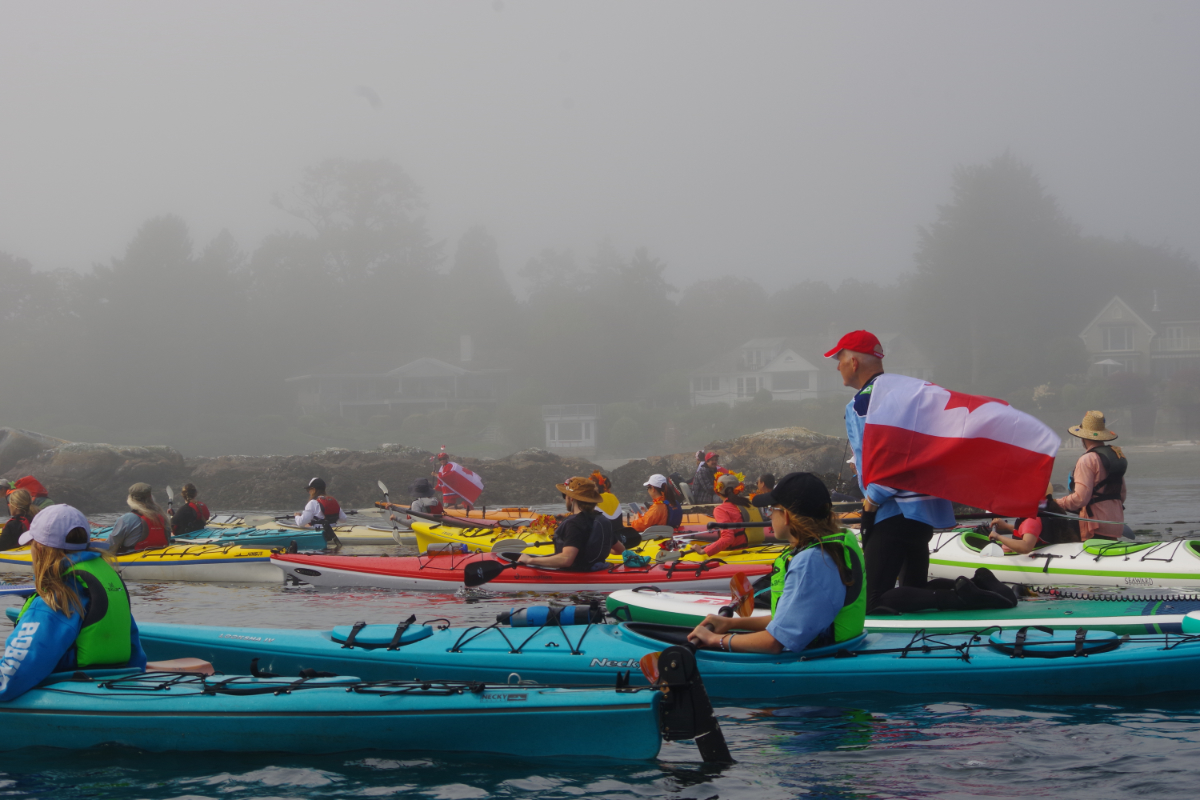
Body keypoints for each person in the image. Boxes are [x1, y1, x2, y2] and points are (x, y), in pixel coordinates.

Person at [827, 330, 954, 611]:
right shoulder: (909, 392)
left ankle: (967, 595)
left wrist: (873, 500)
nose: (837, 366)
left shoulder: (863, 403)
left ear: (854, 362)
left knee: (870, 601)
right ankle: (967, 588)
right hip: (921, 511)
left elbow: (887, 456)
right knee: (913, 591)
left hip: (890, 510)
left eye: (840, 359)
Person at [687, 472, 865, 654]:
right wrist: (732, 623)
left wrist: (714, 640)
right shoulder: (833, 545)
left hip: (822, 658)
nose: (770, 516)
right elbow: (790, 619)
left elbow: (774, 642)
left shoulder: (811, 561)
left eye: (772, 510)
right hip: (843, 649)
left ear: (786, 515)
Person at [0, 505, 147, 701]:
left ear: (41, 549)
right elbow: (135, 651)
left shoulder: (55, 599)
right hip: (112, 683)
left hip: (71, 689)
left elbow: (13, 675)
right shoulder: (105, 582)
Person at [517, 477, 617, 571]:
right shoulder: (602, 519)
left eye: (565, 495)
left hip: (577, 577)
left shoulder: (573, 524)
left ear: (571, 498)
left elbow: (566, 560)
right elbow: (619, 550)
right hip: (597, 570)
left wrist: (530, 560)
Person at [1056, 410, 1127, 542]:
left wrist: (1055, 503)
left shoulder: (1087, 460)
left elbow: (1080, 499)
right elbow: (1122, 495)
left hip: (1094, 526)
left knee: (1054, 529)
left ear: (1083, 437)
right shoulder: (1114, 456)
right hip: (1115, 524)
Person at [693, 473, 758, 555]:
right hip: (756, 549)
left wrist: (704, 551)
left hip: (737, 553)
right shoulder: (748, 504)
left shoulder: (720, 510)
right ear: (738, 489)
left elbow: (728, 538)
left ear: (717, 491)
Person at [106, 483, 172, 554]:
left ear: (131, 499)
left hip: (132, 559)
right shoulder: (163, 517)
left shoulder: (126, 519)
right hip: (160, 557)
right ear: (150, 497)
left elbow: (110, 546)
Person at [295, 477, 347, 547]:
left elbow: (300, 522)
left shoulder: (313, 503)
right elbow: (343, 519)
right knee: (308, 524)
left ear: (313, 489)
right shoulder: (332, 500)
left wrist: (297, 516)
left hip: (321, 533)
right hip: (334, 530)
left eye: (309, 490)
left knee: (296, 525)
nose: (309, 492)